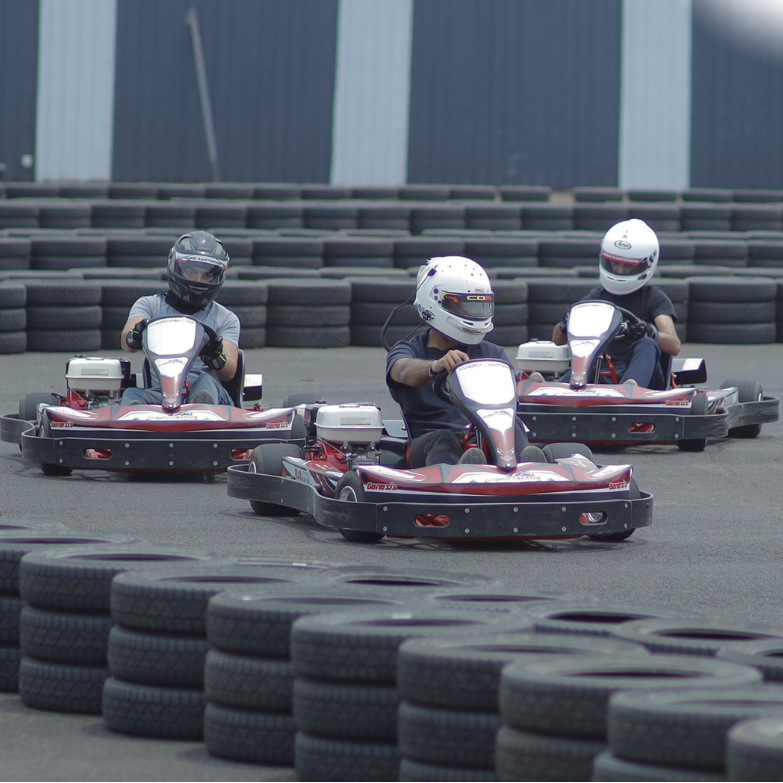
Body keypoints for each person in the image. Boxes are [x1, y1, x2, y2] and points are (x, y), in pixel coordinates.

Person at [386, 255, 531, 467]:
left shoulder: (494, 355)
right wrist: (435, 367)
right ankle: (456, 481)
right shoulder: (408, 350)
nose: (472, 314)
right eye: (464, 306)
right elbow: (402, 370)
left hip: (482, 439)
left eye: (479, 306)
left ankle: (527, 470)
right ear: (434, 302)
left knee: (513, 425)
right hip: (429, 444)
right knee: (442, 438)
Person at [551, 218, 681, 389]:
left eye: (627, 266)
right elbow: (557, 340)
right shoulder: (596, 297)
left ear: (645, 264)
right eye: (615, 262)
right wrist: (566, 324)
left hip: (644, 379)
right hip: (600, 374)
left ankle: (631, 387)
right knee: (586, 351)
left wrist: (647, 331)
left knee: (647, 344)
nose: (619, 270)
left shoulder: (653, 297)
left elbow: (674, 345)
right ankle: (561, 386)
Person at [120, 231, 240, 406]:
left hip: (212, 397)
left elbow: (229, 372)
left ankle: (201, 410)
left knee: (205, 382)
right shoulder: (150, 305)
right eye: (191, 272)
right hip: (161, 395)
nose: (199, 280)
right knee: (131, 394)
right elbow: (126, 341)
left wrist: (215, 356)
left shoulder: (225, 318)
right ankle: (135, 420)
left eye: (207, 275)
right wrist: (135, 334)